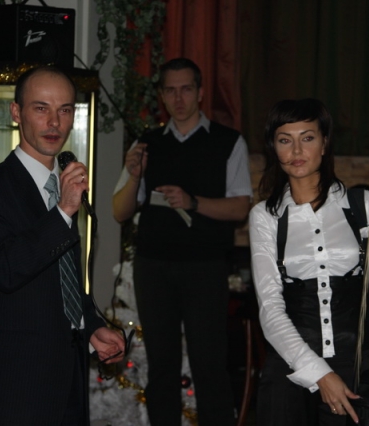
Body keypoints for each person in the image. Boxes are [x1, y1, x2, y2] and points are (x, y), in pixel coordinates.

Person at [0, 66, 126, 426]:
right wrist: (63, 210)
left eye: (64, 109)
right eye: (41, 108)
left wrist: (91, 326)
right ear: (16, 113)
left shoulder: (62, 188)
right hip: (12, 388)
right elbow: (5, 270)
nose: (54, 122)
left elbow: (61, 280)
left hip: (69, 382)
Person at [248, 98, 369, 425]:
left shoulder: (361, 204)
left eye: (307, 137)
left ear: (324, 143)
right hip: (289, 365)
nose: (296, 150)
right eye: (285, 140)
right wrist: (320, 373)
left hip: (353, 362)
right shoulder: (265, 216)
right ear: (273, 148)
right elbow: (269, 307)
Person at [112, 57, 252, 425]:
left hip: (205, 267)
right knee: (162, 366)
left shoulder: (227, 142)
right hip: (153, 266)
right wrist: (134, 175)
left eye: (186, 89)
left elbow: (241, 207)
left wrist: (193, 202)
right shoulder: (147, 143)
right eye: (170, 91)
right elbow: (119, 211)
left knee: (210, 365)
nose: (178, 98)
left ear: (201, 92)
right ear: (161, 95)